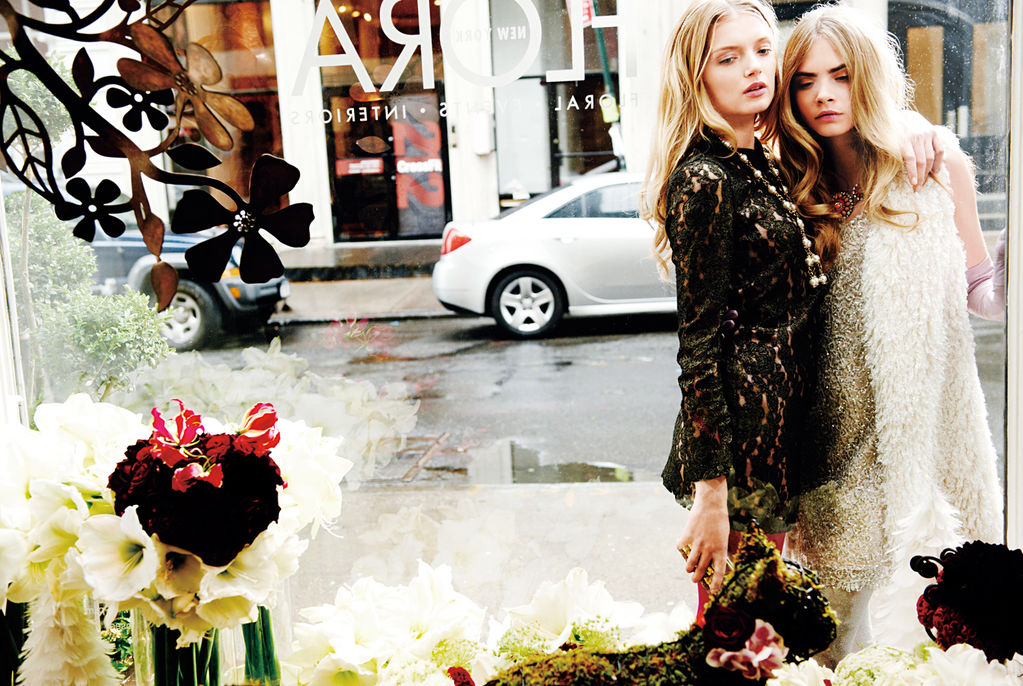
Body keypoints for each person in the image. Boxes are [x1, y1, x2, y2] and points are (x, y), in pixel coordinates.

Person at [640, 0, 947, 624]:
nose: (754, 68)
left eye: (762, 50)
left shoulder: (760, 159)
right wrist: (711, 492)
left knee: (758, 630)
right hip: (741, 449)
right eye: (728, 58)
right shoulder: (706, 178)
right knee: (733, 634)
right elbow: (698, 346)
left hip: (778, 438)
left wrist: (915, 124)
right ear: (696, 76)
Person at [773, 5, 1004, 666]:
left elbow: (979, 292)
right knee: (834, 639)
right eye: (805, 81)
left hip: (921, 424)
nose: (823, 94)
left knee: (945, 631)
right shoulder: (789, 179)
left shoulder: (932, 165)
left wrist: (1009, 274)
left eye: (841, 76)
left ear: (869, 78)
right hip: (831, 441)